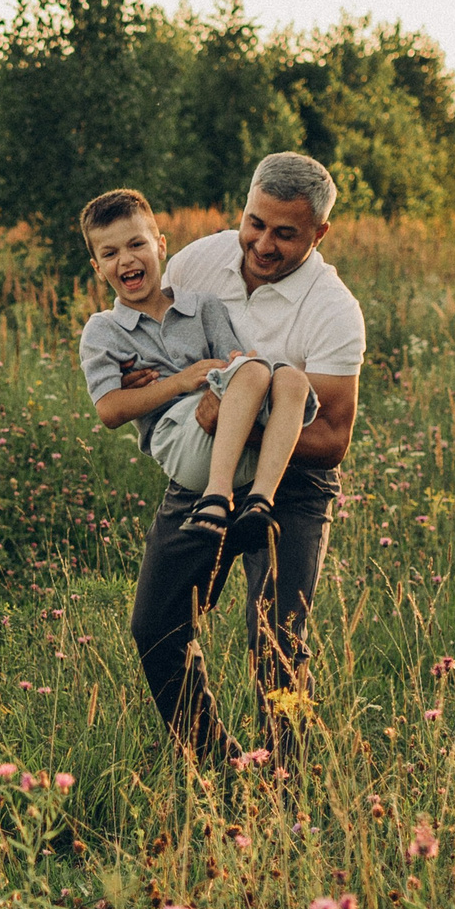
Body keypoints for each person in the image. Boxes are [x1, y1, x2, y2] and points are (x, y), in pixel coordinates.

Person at [120, 152, 365, 776]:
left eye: (285, 232)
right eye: (254, 223)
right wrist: (155, 378)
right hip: (203, 474)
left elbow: (333, 435)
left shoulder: (333, 308)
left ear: (319, 233)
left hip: (292, 486)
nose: (263, 243)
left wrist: (240, 415)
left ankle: (283, 787)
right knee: (157, 628)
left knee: (277, 645)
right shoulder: (196, 262)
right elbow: (153, 346)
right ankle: (224, 766)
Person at [75, 188, 319, 547]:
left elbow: (237, 366)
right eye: (110, 254)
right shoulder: (103, 329)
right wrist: (180, 382)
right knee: (254, 370)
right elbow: (109, 410)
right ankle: (215, 500)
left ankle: (259, 505)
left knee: (291, 379)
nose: (125, 260)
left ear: (160, 246)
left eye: (136, 245)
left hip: (243, 445)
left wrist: (237, 367)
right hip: (183, 443)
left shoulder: (204, 307)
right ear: (97, 268)